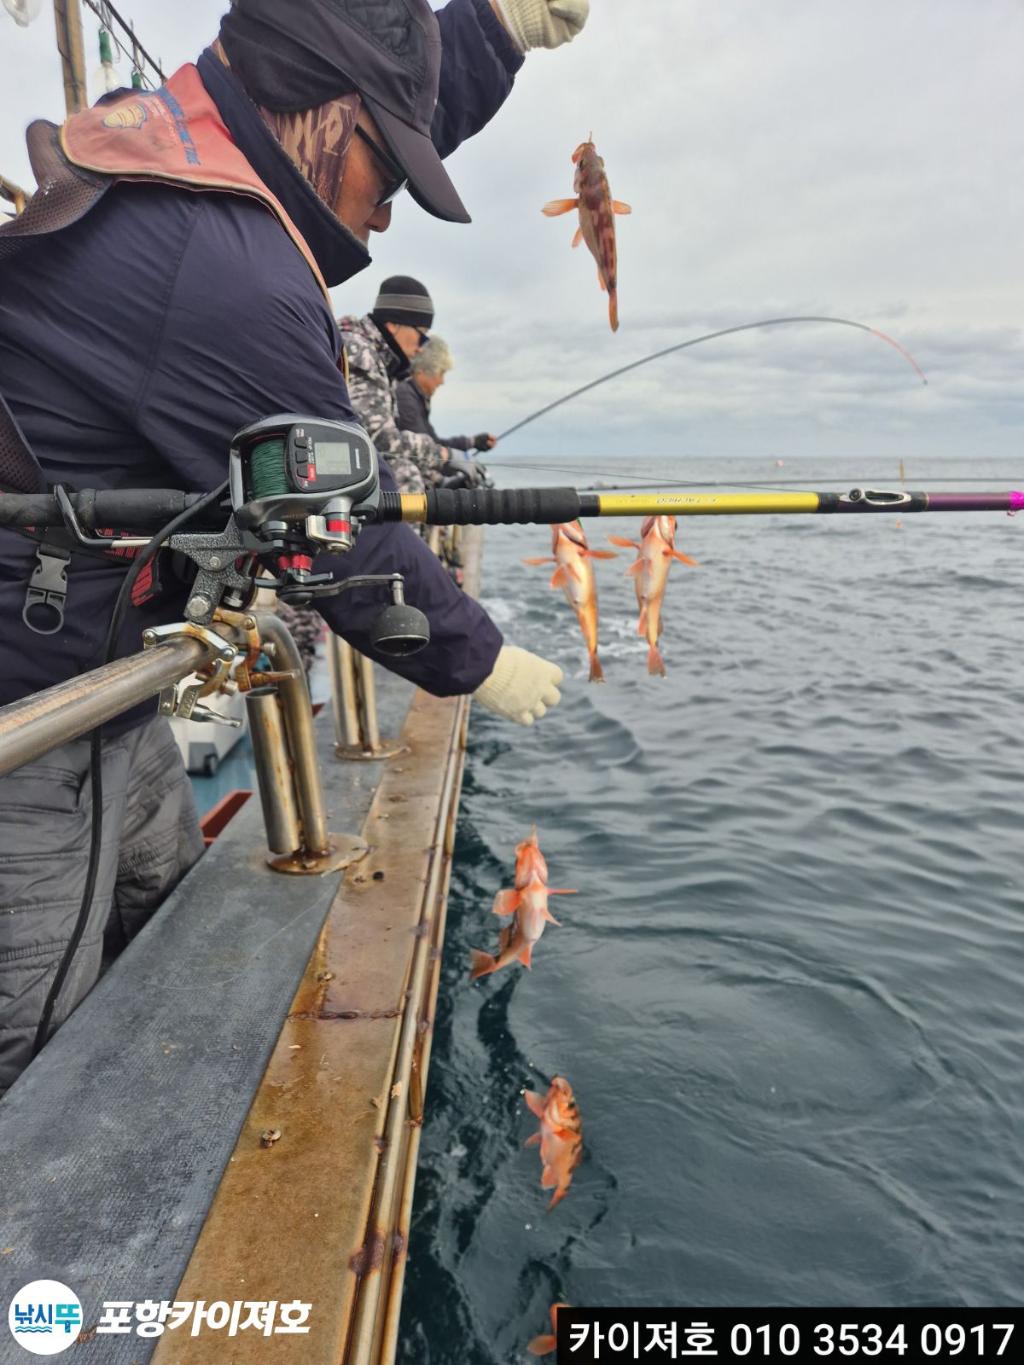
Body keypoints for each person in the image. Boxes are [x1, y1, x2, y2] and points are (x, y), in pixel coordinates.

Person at [0, 0, 590, 1096]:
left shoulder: (214, 145)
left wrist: (494, 32)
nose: (389, 208)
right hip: (28, 725)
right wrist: (479, 659)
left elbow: (369, 100)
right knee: (32, 1051)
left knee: (165, 945)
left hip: (104, 693)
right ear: (322, 116)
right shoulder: (221, 265)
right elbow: (330, 533)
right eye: (392, 172)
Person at [340, 275, 451, 494]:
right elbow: (381, 440)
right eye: (422, 336)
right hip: (335, 466)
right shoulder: (361, 353)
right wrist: (441, 455)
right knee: (404, 474)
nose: (421, 348)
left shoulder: (375, 356)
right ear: (393, 325)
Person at [398, 334, 497, 459]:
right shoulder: (405, 396)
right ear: (422, 370)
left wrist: (473, 442)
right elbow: (424, 453)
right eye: (441, 373)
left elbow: (434, 444)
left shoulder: (415, 396)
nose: (442, 381)